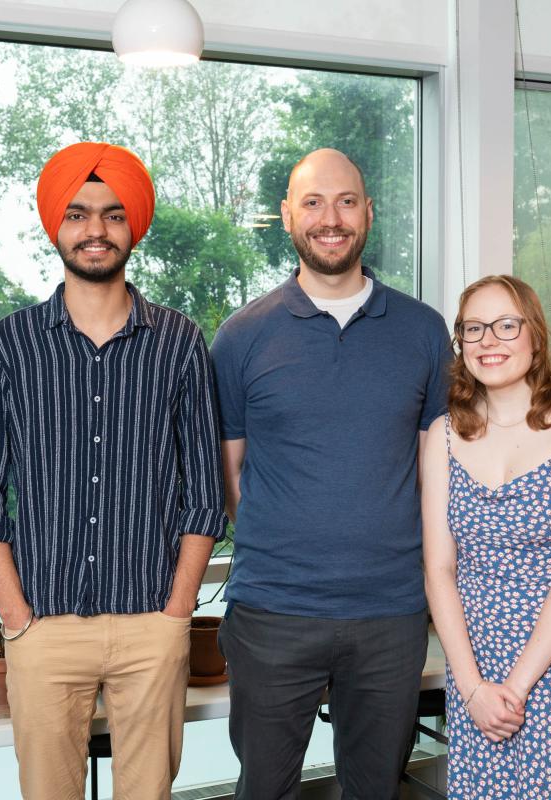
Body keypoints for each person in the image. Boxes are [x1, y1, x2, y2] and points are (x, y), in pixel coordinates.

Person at [0, 142, 227, 800]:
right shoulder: (10, 343)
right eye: (77, 215)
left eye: (112, 215)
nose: (95, 230)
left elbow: (205, 492)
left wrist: (177, 610)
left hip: (152, 625)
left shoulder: (180, 341)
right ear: (56, 226)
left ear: (133, 225)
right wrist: (16, 619)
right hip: (43, 626)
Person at [210, 148, 453, 799]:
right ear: (287, 217)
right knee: (264, 788)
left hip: (391, 612)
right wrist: (293, 542)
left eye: (346, 201)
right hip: (272, 611)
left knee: (376, 788)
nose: (331, 218)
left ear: (368, 213)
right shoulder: (241, 336)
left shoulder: (425, 332)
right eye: (312, 203)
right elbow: (230, 475)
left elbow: (438, 473)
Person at [421, 274, 551, 798]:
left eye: (506, 325)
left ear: (535, 335)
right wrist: (471, 687)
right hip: (473, 661)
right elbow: (438, 569)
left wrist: (515, 688)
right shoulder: (442, 435)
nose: (489, 341)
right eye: (474, 329)